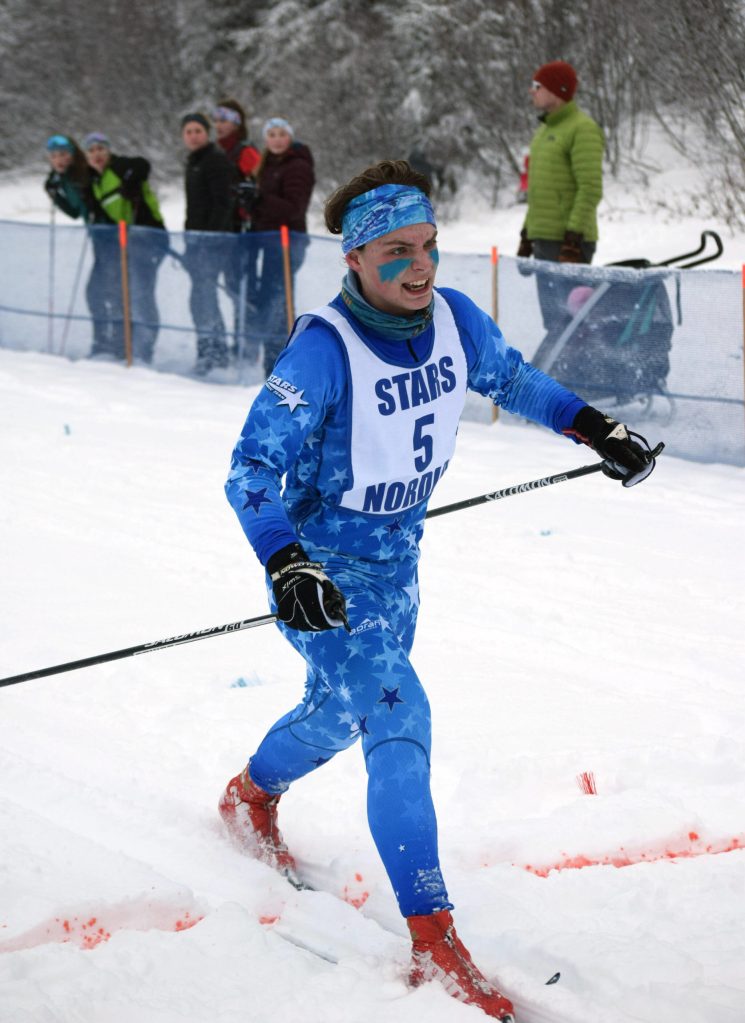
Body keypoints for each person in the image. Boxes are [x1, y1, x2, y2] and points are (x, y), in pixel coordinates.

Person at [219, 160, 658, 1021]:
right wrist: (285, 562)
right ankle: (433, 938)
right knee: (399, 713)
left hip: (398, 565)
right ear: (353, 260)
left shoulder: (452, 317)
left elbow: (513, 380)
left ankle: (250, 794)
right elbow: (249, 470)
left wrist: (593, 428)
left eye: (426, 246)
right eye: (395, 252)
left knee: (343, 714)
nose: (419, 267)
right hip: (322, 573)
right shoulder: (322, 351)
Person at [516, 61, 605, 364]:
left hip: (569, 245)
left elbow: (590, 188)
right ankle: (562, 384)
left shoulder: (583, 129)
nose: (532, 91)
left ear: (557, 90)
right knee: (555, 321)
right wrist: (527, 236)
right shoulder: (543, 132)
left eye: (538, 86)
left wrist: (573, 238)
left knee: (568, 321)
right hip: (545, 241)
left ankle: (566, 384)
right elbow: (540, 192)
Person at [83, 132, 167, 363]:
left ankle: (143, 351)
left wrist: (131, 181)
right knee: (122, 292)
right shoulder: (95, 180)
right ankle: (124, 346)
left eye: (101, 149)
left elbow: (142, 165)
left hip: (148, 236)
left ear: (108, 151)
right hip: (125, 241)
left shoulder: (119, 166)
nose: (97, 155)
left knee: (141, 293)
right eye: (91, 151)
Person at [250, 117, 314, 378]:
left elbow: (294, 207)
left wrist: (260, 199)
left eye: (281, 134)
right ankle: (272, 360)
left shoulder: (297, 166)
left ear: (290, 137)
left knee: (279, 301)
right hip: (268, 241)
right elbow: (265, 207)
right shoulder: (267, 165)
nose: (277, 139)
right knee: (269, 300)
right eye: (272, 134)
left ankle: (282, 364)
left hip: (289, 241)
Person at [43, 134, 110, 352]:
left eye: (63, 155)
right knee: (96, 293)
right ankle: (102, 341)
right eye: (54, 156)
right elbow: (74, 212)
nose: (59, 160)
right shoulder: (63, 179)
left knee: (100, 292)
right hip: (97, 239)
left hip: (109, 237)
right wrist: (55, 195)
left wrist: (93, 206)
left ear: (72, 156)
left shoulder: (82, 174)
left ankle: (110, 343)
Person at [181, 112, 236, 375]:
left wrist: (210, 239)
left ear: (207, 133)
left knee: (203, 296)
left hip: (213, 243)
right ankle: (212, 350)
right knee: (201, 298)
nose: (193, 136)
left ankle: (215, 353)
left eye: (197, 131)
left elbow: (223, 203)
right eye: (188, 131)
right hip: (195, 240)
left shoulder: (215, 161)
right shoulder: (194, 162)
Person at [212, 98, 262, 363]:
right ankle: (239, 342)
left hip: (243, 230)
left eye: (224, 120)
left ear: (236, 123)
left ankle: (249, 347)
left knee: (242, 287)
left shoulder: (245, 151)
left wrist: (249, 194)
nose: (219, 125)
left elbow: (259, 181)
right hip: (223, 228)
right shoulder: (216, 151)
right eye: (216, 120)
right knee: (230, 287)